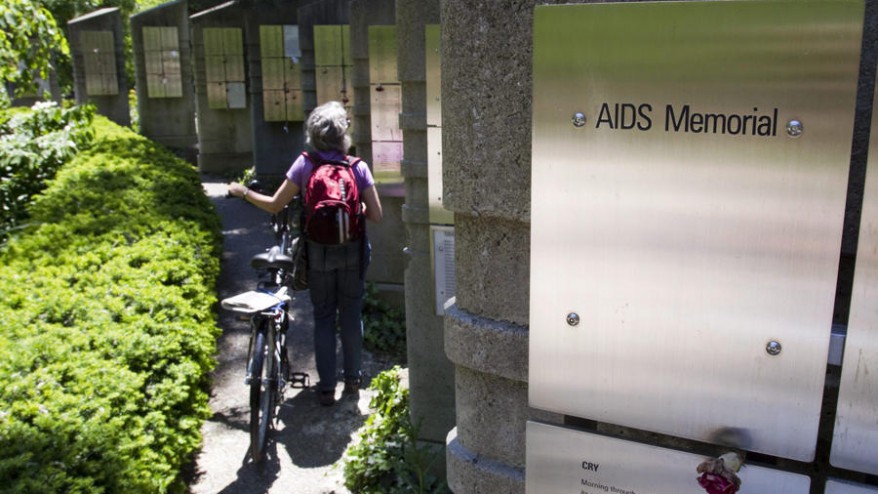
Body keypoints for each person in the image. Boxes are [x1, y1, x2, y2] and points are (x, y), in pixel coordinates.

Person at [229, 101, 383, 406]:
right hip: (352, 251)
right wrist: (355, 210)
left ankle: (326, 388)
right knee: (351, 315)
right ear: (343, 136)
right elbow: (376, 215)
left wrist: (243, 192)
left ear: (313, 134)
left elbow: (275, 204)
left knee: (324, 316)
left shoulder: (305, 164)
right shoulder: (358, 167)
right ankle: (352, 380)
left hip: (317, 252)